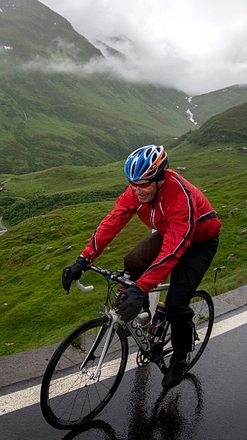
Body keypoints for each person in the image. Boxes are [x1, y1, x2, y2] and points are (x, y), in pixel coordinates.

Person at [61, 144, 221, 390]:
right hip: (169, 232)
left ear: (160, 178)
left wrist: (141, 288)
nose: (138, 190)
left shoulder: (180, 196)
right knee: (132, 265)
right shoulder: (135, 192)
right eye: (132, 183)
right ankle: (146, 322)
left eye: (144, 183)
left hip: (199, 240)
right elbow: (111, 223)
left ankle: (180, 354)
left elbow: (173, 251)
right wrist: (83, 261)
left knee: (177, 302)